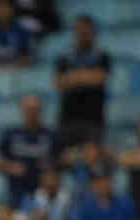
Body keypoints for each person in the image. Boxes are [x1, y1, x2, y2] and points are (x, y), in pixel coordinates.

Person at [0, 94, 59, 209]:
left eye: (35, 109)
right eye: (29, 109)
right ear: (22, 110)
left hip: (45, 195)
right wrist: (10, 167)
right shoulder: (11, 135)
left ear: (41, 111)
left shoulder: (50, 135)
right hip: (16, 192)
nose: (32, 113)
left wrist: (51, 168)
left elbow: (62, 159)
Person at [55, 15, 110, 149]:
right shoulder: (64, 57)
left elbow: (100, 79)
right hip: (67, 120)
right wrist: (88, 76)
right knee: (67, 159)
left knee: (91, 161)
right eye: (80, 31)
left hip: (93, 120)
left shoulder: (102, 56)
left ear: (93, 33)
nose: (83, 34)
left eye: (87, 31)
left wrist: (73, 77)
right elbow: (60, 83)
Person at [0, 0, 33, 70]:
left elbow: (28, 58)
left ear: (12, 10)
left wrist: (14, 67)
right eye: (0, 7)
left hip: (16, 70)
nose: (3, 11)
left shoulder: (21, 30)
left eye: (6, 7)